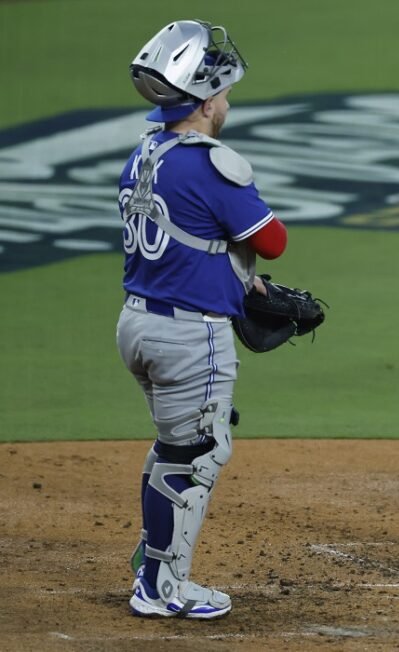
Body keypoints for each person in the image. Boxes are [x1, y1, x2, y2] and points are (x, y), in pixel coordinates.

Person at [117, 19, 288, 619]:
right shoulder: (213, 163)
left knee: (173, 448)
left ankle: (152, 559)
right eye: (224, 93)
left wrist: (236, 278)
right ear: (208, 101)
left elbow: (190, 241)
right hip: (190, 334)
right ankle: (163, 588)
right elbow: (273, 240)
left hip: (138, 323)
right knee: (200, 454)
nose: (228, 102)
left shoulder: (144, 154)